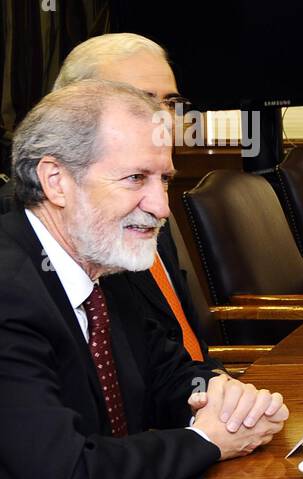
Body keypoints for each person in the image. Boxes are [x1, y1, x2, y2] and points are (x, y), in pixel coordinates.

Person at [0, 80, 288, 479]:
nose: (161, 206)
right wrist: (208, 440)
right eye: (136, 178)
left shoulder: (106, 263)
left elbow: (166, 376)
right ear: (56, 182)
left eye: (165, 181)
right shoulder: (9, 291)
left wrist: (226, 399)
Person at [0, 33, 218, 370]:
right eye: (139, 101)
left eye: (169, 103)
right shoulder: (68, 229)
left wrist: (213, 389)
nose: (162, 120)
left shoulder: (147, 198)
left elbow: (168, 350)